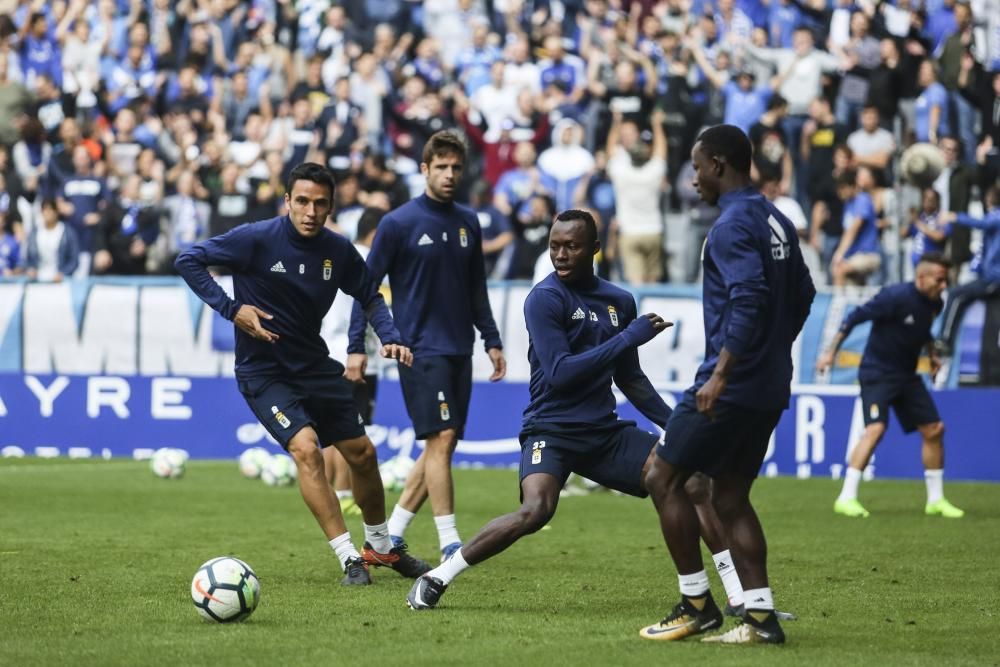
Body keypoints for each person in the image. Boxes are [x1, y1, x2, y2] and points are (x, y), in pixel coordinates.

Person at [405, 209, 741, 615]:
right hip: (550, 429)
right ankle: (438, 577)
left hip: (604, 434)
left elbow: (630, 379)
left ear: (595, 249)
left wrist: (678, 427)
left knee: (691, 482)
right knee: (536, 510)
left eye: (571, 246)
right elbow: (561, 373)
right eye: (554, 246)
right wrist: (628, 338)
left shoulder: (619, 301)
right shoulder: (544, 299)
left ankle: (738, 597)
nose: (560, 255)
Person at [175, 162, 431, 586]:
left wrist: (389, 335)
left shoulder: (337, 250)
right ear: (287, 201)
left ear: (331, 206)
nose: (311, 211)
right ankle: (349, 557)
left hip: (314, 366)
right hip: (263, 371)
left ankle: (381, 547)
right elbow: (189, 259)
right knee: (307, 449)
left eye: (321, 204)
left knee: (363, 455)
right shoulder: (255, 239)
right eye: (303, 202)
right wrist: (232, 309)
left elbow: (369, 295)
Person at [642, 125, 815, 645]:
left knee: (661, 476)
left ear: (718, 164)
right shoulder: (776, 217)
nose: (693, 178)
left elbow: (748, 298)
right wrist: (771, 355)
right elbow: (803, 293)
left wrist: (722, 373)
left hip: (729, 385)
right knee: (730, 496)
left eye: (696, 167)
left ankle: (696, 603)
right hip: (767, 385)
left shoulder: (733, 225)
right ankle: (759, 619)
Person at [348, 131, 506, 563]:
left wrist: (491, 339)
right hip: (416, 349)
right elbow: (366, 287)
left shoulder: (468, 221)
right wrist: (355, 347)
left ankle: (389, 538)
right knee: (443, 436)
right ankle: (450, 540)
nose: (450, 174)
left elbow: (476, 287)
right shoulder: (398, 223)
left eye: (456, 167)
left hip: (459, 348)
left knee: (442, 444)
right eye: (441, 167)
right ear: (424, 170)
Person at [817, 253, 964, 519]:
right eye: (940, 280)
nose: (944, 285)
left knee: (934, 429)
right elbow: (854, 318)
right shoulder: (894, 297)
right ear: (921, 276)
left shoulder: (935, 303)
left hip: (906, 376)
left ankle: (936, 500)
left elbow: (923, 328)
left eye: (947, 280)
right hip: (877, 373)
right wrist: (830, 352)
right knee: (875, 429)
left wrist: (931, 354)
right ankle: (846, 497)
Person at [321, 207, 386, 518]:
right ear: (375, 234)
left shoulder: (338, 254)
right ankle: (345, 493)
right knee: (353, 430)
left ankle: (335, 490)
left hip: (330, 349)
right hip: (356, 356)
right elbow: (370, 306)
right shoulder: (369, 261)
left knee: (334, 428)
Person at [937, 185, 1000, 355]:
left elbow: (980, 223)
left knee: (955, 295)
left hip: (994, 279)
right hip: (990, 277)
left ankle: (944, 341)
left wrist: (955, 217)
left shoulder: (996, 217)